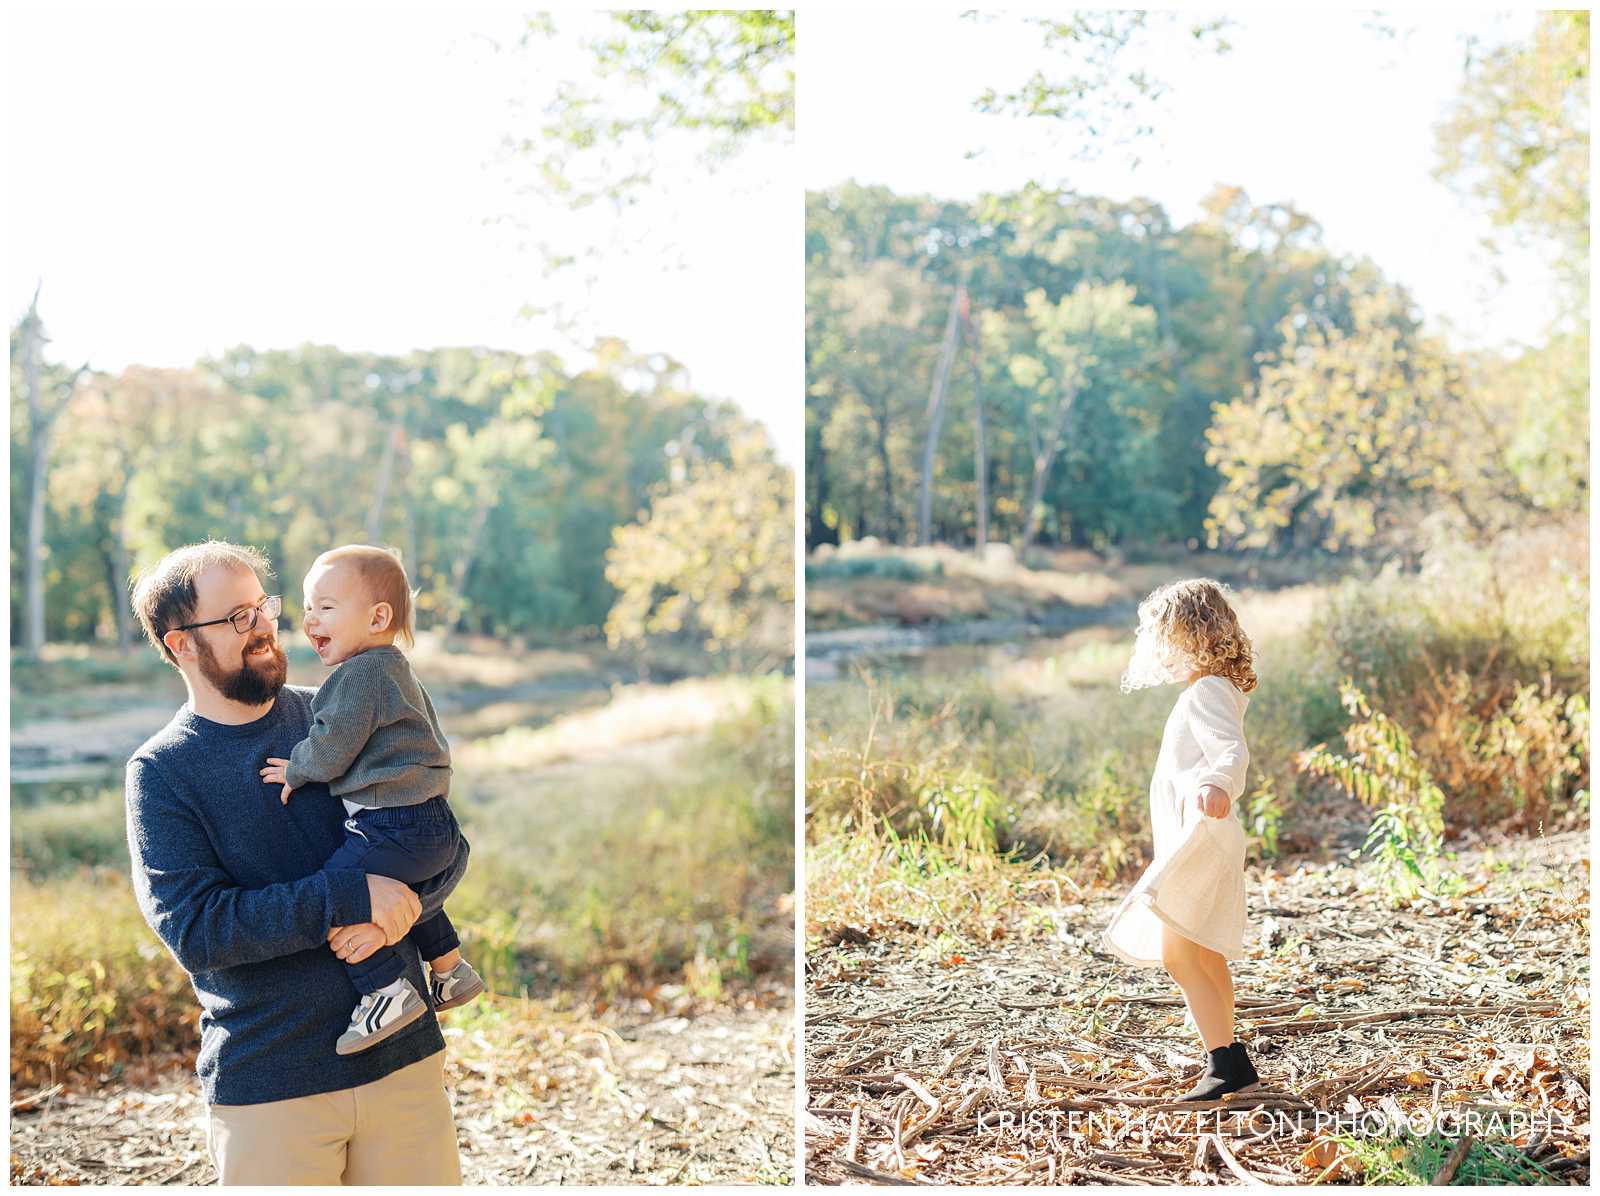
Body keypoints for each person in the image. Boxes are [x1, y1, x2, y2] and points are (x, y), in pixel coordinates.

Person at [125, 540, 466, 1184]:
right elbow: (200, 932)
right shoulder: (162, 772)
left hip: (404, 1065)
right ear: (180, 645)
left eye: (262, 607)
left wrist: (409, 905)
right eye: (235, 618)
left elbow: (441, 840)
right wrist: (352, 897)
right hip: (273, 1087)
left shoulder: (338, 709)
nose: (263, 628)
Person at [259, 543, 483, 1055]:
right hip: (433, 824)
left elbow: (334, 741)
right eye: (308, 606)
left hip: (391, 824)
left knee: (336, 894)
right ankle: (450, 970)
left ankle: (385, 989)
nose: (310, 618)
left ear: (378, 616)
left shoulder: (359, 675)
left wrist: (297, 767)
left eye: (326, 607)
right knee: (413, 897)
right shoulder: (397, 670)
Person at [1100, 577, 1263, 1101]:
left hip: (1202, 833)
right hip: (1202, 835)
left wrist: (1218, 782)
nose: (1162, 654)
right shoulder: (1211, 688)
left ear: (1196, 637)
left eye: (1168, 641)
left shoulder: (1208, 690)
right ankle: (1228, 1056)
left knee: (1180, 954)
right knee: (1203, 950)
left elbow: (1230, 751)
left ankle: (1225, 1062)